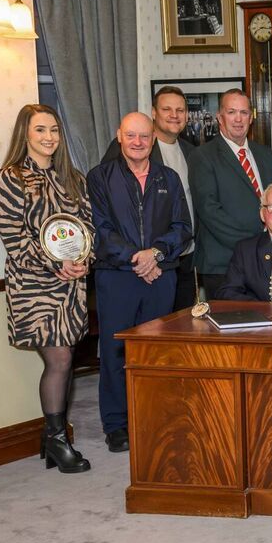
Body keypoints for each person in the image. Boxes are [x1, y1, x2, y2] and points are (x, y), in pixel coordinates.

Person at [0, 104, 94, 474]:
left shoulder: (73, 177)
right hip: (35, 288)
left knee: (65, 358)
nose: (49, 137)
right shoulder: (10, 178)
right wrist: (56, 263)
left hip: (70, 286)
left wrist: (84, 258)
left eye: (54, 129)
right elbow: (14, 239)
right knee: (61, 359)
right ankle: (57, 439)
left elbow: (86, 227)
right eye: (40, 130)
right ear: (25, 134)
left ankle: (52, 440)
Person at [88, 112, 193, 453]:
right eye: (131, 135)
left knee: (156, 353)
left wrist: (156, 254)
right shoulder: (99, 178)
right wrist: (139, 257)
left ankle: (154, 417)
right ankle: (118, 425)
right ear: (119, 135)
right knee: (116, 352)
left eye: (144, 136)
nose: (137, 142)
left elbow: (182, 226)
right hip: (117, 277)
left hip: (161, 276)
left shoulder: (169, 177)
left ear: (153, 139)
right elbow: (100, 231)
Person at [102, 86, 199, 310]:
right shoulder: (127, 148)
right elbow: (112, 204)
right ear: (154, 113)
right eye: (167, 109)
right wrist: (146, 259)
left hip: (184, 257)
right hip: (138, 264)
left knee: (179, 329)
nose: (174, 115)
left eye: (180, 110)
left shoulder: (192, 152)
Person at [188, 89, 272, 297]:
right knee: (228, 327)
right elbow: (209, 211)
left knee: (267, 324)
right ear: (219, 117)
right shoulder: (202, 156)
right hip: (223, 263)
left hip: (265, 259)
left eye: (244, 112)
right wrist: (253, 244)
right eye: (231, 112)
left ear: (252, 117)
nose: (238, 119)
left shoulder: (265, 155)